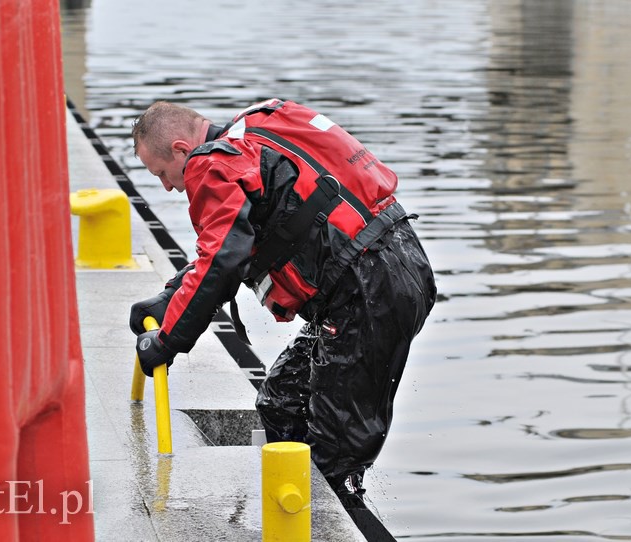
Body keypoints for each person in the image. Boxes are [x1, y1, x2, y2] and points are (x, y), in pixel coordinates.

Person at [128, 98, 436, 505]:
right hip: (393, 265)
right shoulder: (256, 130)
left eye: (162, 174)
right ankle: (291, 507)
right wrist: (171, 298)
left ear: (182, 150)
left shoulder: (212, 165)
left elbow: (222, 261)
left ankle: (323, 517)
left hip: (368, 290)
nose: (168, 186)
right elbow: (244, 240)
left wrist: (167, 342)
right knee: (282, 402)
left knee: (336, 448)